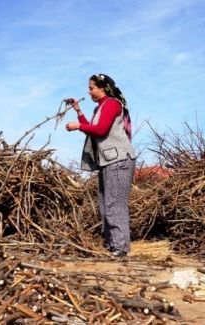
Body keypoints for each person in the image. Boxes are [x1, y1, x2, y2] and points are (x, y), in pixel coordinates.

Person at [65, 73, 137, 257]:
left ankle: (121, 248)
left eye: (91, 88)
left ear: (102, 88)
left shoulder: (112, 104)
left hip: (119, 159)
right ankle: (113, 246)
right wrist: (78, 112)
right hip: (109, 161)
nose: (88, 92)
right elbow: (93, 131)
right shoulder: (100, 108)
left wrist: (78, 126)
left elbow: (101, 129)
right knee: (105, 204)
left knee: (115, 203)